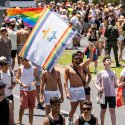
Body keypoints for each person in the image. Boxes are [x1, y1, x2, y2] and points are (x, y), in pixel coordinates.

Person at [64, 45, 93, 125]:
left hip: (81, 89)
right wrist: (67, 92)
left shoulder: (81, 67)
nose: (77, 60)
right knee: (73, 109)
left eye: (79, 59)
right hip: (72, 90)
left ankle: (81, 122)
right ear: (72, 60)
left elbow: (90, 59)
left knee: (82, 108)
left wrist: (91, 50)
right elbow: (65, 82)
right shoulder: (68, 69)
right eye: (75, 59)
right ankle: (69, 120)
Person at [95, 56, 125, 125]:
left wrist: (122, 84)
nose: (109, 61)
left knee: (112, 110)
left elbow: (115, 85)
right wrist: (99, 88)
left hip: (112, 95)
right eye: (107, 60)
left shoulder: (113, 73)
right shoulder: (101, 73)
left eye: (110, 60)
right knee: (103, 110)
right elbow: (95, 83)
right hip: (102, 95)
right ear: (104, 63)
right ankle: (102, 123)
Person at [16, 58, 39, 125]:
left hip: (32, 90)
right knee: (22, 107)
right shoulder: (20, 68)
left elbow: (37, 78)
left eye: (22, 60)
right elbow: (17, 79)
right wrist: (22, 84)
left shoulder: (34, 68)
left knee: (31, 107)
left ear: (27, 60)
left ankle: (30, 123)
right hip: (23, 90)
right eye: (21, 60)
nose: (21, 62)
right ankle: (19, 120)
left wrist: (34, 82)